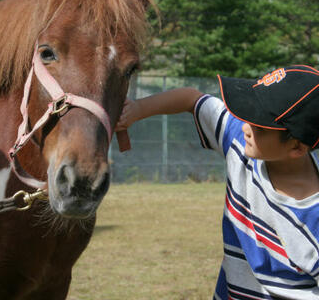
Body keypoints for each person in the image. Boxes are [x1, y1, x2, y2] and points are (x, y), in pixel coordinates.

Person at [115, 65, 319, 300]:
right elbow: (191, 99)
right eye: (247, 115)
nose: (245, 127)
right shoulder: (239, 144)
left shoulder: (313, 219)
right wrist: (137, 109)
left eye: (259, 126)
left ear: (297, 146)